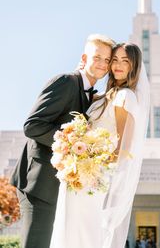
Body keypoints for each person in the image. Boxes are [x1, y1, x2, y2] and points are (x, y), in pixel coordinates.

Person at [10, 34, 115, 248]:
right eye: (97, 57)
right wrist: (74, 146)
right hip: (38, 184)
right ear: (84, 58)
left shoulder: (90, 95)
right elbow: (32, 125)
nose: (103, 64)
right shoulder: (66, 81)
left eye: (107, 60)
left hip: (58, 186)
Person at [49, 42, 150, 248]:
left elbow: (123, 147)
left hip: (93, 178)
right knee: (71, 228)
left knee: (84, 233)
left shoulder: (125, 97)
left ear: (134, 66)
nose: (118, 65)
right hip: (78, 174)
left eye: (125, 61)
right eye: (114, 60)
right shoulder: (105, 97)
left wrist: (94, 170)